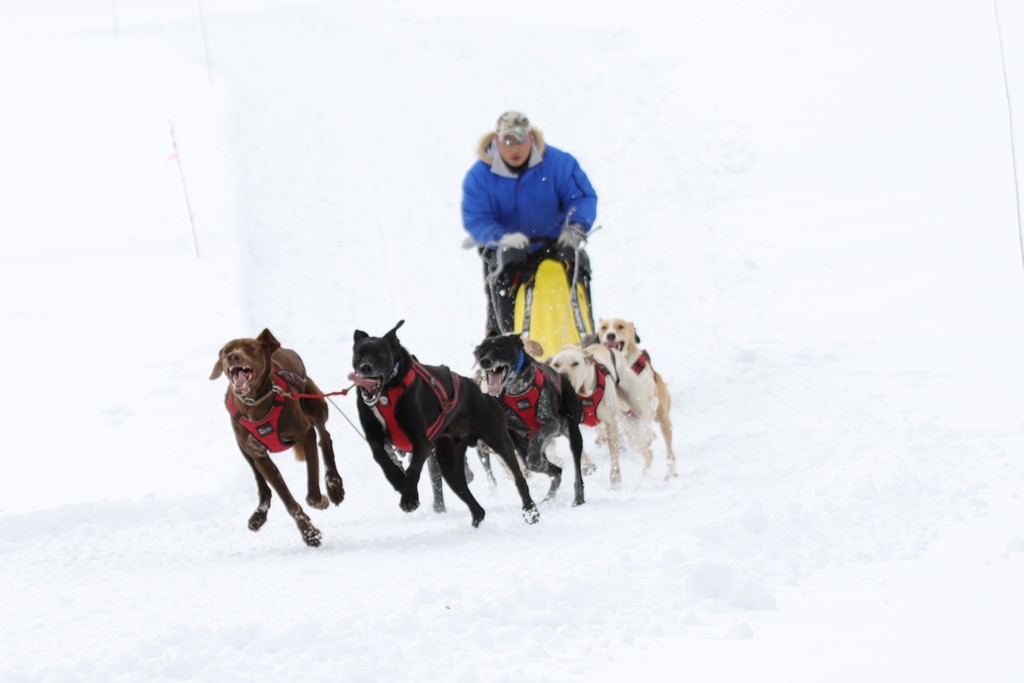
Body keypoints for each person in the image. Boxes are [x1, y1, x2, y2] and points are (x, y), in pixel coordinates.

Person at [461, 111, 599, 337]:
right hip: (507, 247)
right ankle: (504, 343)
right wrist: (501, 237)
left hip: (554, 242)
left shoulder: (560, 164)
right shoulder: (480, 175)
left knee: (577, 264)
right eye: (508, 141)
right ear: (497, 142)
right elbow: (476, 217)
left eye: (521, 139)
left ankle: (587, 336)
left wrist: (576, 227)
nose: (515, 148)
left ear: (531, 139)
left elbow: (582, 197)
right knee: (504, 274)